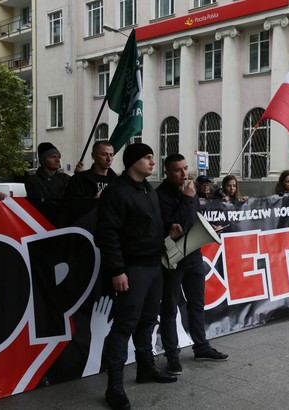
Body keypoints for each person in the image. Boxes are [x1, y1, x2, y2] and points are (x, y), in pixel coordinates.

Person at [95, 143, 176, 410]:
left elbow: (148, 224)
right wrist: (117, 270)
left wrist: (168, 227)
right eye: (147, 157)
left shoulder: (147, 189)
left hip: (154, 266)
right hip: (133, 269)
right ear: (132, 162)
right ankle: (114, 387)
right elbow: (107, 235)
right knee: (124, 326)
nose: (153, 162)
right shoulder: (117, 192)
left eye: (152, 156)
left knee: (148, 320)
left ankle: (145, 368)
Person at [156, 154, 229, 375]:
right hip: (173, 260)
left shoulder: (190, 192)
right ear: (167, 172)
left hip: (193, 257)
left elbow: (192, 220)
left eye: (186, 168)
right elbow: (176, 227)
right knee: (170, 308)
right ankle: (172, 356)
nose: (184, 174)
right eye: (178, 170)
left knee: (197, 304)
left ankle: (201, 346)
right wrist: (187, 199)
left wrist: (208, 227)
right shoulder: (160, 195)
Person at [63, 141, 117, 224]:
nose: (109, 159)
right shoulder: (79, 179)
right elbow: (69, 206)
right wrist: (93, 201)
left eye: (111, 155)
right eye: (104, 154)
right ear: (93, 156)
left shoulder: (117, 181)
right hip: (87, 227)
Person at [25, 142, 71, 226]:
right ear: (43, 160)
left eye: (58, 157)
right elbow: (41, 205)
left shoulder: (66, 178)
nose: (57, 160)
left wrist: (79, 177)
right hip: (43, 225)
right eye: (53, 157)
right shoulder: (33, 180)